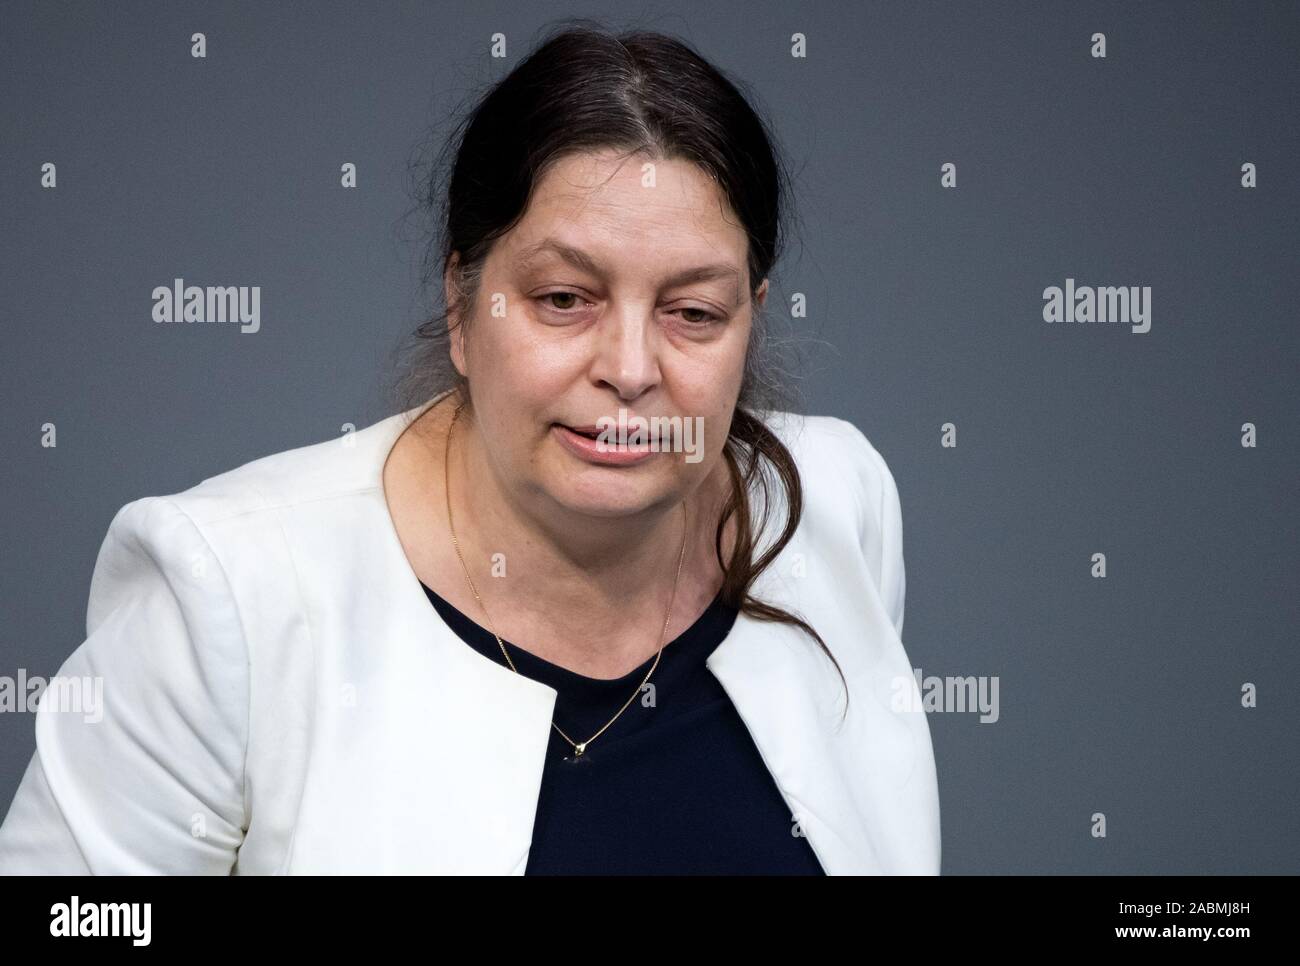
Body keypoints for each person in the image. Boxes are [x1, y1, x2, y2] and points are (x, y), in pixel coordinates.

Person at [0, 20, 939, 875]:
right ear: (463, 305)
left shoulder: (833, 502)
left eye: (694, 312)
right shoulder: (229, 595)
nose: (630, 368)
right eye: (563, 299)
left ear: (752, 322)